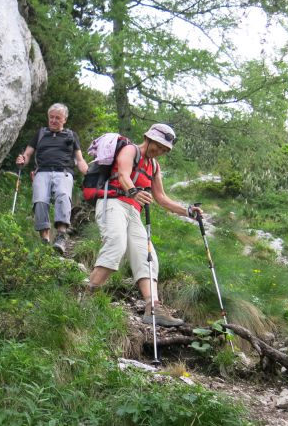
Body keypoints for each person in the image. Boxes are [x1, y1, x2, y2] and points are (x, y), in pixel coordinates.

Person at [86, 123, 202, 327]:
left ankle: (153, 307)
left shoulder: (154, 166)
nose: (160, 151)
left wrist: (188, 211)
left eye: (165, 149)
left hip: (133, 211)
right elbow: (123, 174)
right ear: (148, 139)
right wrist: (133, 192)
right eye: (158, 145)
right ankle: (87, 294)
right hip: (113, 203)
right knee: (116, 244)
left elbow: (162, 198)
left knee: (147, 256)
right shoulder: (130, 150)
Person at [16, 103, 88, 254]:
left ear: (65, 120)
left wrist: (88, 172)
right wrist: (22, 159)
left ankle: (61, 236)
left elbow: (79, 159)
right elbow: (28, 154)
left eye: (58, 118)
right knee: (40, 201)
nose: (54, 120)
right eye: (51, 117)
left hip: (64, 172)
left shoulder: (71, 135)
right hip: (42, 172)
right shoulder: (41, 133)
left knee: (63, 196)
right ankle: (45, 239)